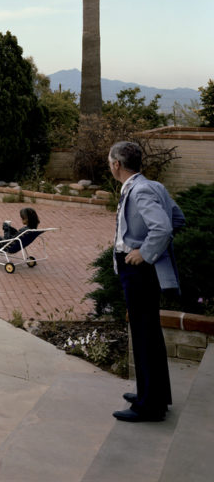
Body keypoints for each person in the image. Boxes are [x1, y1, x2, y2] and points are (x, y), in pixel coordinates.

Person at [108, 141, 185, 423]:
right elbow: (178, 218)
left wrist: (145, 252)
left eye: (109, 161)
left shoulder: (139, 191)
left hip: (139, 272)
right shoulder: (154, 186)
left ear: (117, 164)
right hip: (141, 272)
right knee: (149, 333)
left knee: (143, 334)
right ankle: (153, 394)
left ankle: (148, 406)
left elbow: (164, 226)